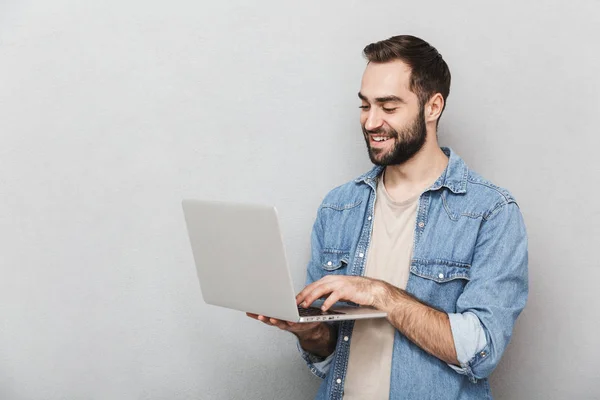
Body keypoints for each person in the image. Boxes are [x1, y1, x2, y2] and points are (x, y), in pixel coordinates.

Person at [247, 34, 528, 400]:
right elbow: (331, 351)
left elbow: (482, 349)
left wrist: (380, 293)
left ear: (433, 106)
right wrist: (307, 331)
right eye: (365, 106)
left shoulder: (491, 213)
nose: (370, 121)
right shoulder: (338, 207)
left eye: (389, 107)